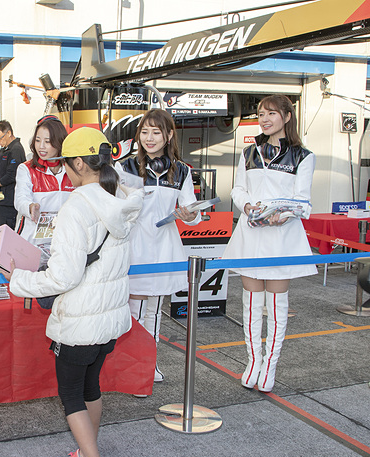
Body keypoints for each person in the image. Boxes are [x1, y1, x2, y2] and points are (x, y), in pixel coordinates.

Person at [3, 128, 143, 457]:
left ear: (79, 163)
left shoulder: (77, 206)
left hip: (80, 318)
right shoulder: (122, 199)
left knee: (71, 395)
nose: (63, 170)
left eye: (65, 163)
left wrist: (18, 279)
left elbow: (64, 276)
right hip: (110, 316)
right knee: (90, 387)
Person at [221, 94, 316, 393]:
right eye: (261, 113)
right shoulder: (249, 152)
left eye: (271, 113)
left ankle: (270, 365)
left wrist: (284, 214)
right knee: (251, 302)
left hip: (281, 238)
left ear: (287, 117)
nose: (264, 119)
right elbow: (238, 189)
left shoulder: (303, 156)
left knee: (276, 305)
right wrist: (247, 206)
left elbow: (303, 200)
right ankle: (253, 361)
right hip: (251, 234)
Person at [116, 109, 200, 387]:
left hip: (165, 246)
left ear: (169, 136)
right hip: (134, 245)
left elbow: (192, 211)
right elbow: (116, 207)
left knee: (154, 309)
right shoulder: (125, 167)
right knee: (132, 310)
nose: (149, 138)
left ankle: (149, 363)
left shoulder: (182, 170)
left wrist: (190, 214)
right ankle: (128, 363)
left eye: (156, 132)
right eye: (144, 132)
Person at [13, 115, 72, 244]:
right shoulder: (26, 169)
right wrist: (30, 207)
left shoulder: (71, 169)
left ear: (59, 142)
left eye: (48, 141)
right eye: (38, 140)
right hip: (31, 238)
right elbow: (20, 199)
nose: (41, 146)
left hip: (62, 239)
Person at [0, 120, 26, 232]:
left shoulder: (16, 149)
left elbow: (12, 175)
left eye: (0, 137)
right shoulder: (3, 151)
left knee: (5, 235)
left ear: (9, 133)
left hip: (9, 202)